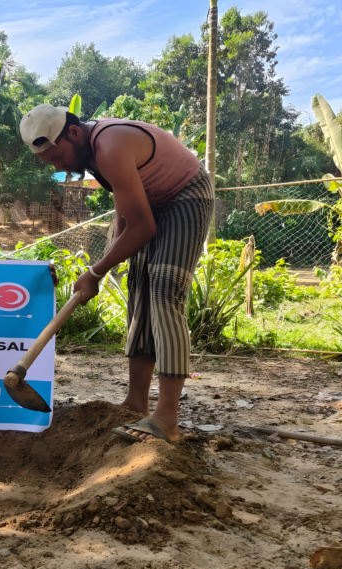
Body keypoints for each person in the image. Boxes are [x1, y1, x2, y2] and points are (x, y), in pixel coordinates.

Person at [20, 104, 213, 444]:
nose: (59, 167)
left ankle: (166, 419)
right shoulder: (92, 154)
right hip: (152, 206)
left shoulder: (109, 145)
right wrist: (109, 256)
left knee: (164, 293)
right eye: (50, 163)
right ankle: (136, 402)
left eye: (58, 156)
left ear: (74, 132)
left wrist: (95, 272)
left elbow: (142, 227)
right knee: (140, 295)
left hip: (186, 196)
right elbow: (126, 213)